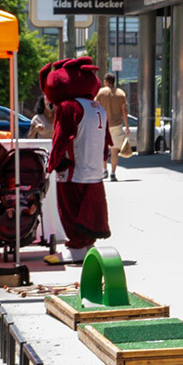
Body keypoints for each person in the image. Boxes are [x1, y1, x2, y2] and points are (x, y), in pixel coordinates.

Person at [41, 57, 112, 262]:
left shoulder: (69, 107)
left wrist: (52, 163)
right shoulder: (98, 107)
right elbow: (106, 140)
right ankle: (88, 245)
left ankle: (76, 249)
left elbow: (61, 138)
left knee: (70, 211)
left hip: (73, 171)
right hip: (94, 172)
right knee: (90, 213)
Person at [94, 74, 129, 181]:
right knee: (114, 150)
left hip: (103, 125)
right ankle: (113, 173)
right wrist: (127, 126)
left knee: (103, 148)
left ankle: (105, 170)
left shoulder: (100, 92)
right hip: (117, 124)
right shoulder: (121, 93)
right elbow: (124, 111)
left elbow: (95, 107)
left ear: (105, 81)